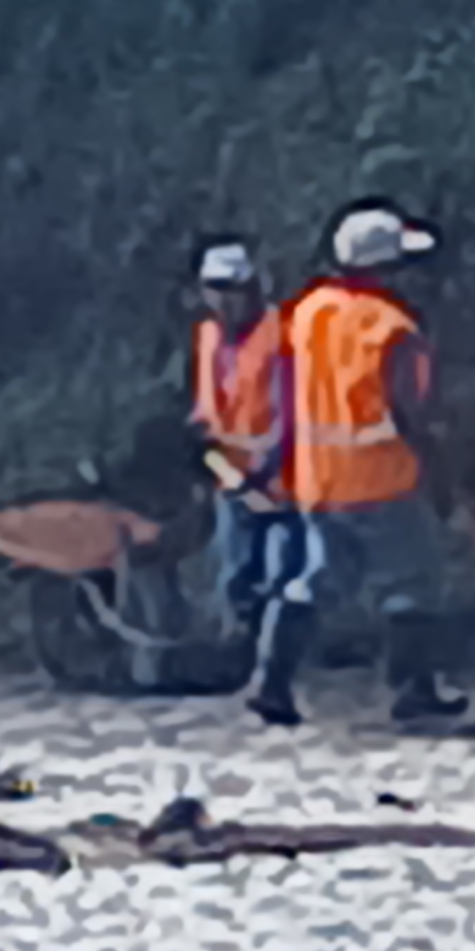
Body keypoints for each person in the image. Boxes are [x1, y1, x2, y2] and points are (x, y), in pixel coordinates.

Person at [247, 202, 466, 731]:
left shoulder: (306, 313)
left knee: (316, 579)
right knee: (411, 582)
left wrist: (271, 463)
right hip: (381, 476)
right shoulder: (391, 326)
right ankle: (412, 691)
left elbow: (281, 394)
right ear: (387, 267)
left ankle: (270, 682)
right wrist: (440, 468)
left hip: (318, 478)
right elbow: (409, 409)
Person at [186, 240, 290, 648]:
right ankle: (238, 646)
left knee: (278, 566)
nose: (223, 298)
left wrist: (269, 456)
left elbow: (292, 405)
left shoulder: (279, 332)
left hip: (278, 471)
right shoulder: (209, 335)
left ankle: (274, 650)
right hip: (228, 470)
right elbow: (206, 407)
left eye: (231, 288)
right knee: (234, 566)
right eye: (215, 288)